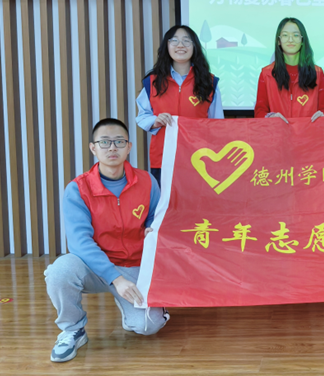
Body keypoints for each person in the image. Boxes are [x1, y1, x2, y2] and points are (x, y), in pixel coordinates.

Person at [44, 118, 167, 363]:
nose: (112, 147)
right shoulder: (78, 189)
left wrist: (152, 229)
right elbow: (79, 242)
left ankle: (130, 306)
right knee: (60, 271)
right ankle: (73, 330)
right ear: (93, 148)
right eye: (105, 142)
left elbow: (157, 217)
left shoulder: (147, 181)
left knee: (148, 326)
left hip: (134, 265)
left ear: (129, 147)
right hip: (94, 268)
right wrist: (115, 279)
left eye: (119, 142)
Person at [137, 25, 223, 184]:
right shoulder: (153, 82)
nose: (180, 45)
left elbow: (217, 124)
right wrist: (155, 121)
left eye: (186, 41)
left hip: (199, 158)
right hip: (163, 156)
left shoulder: (209, 82)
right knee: (165, 199)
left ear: (195, 46)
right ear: (167, 46)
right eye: (174, 41)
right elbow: (142, 116)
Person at [254, 17, 324, 123]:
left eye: (296, 35)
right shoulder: (267, 74)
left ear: (302, 40)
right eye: (285, 35)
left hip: (308, 132)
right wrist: (270, 117)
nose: (290, 40)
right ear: (279, 41)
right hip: (278, 131)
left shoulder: (317, 73)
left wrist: (323, 115)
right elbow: (259, 112)